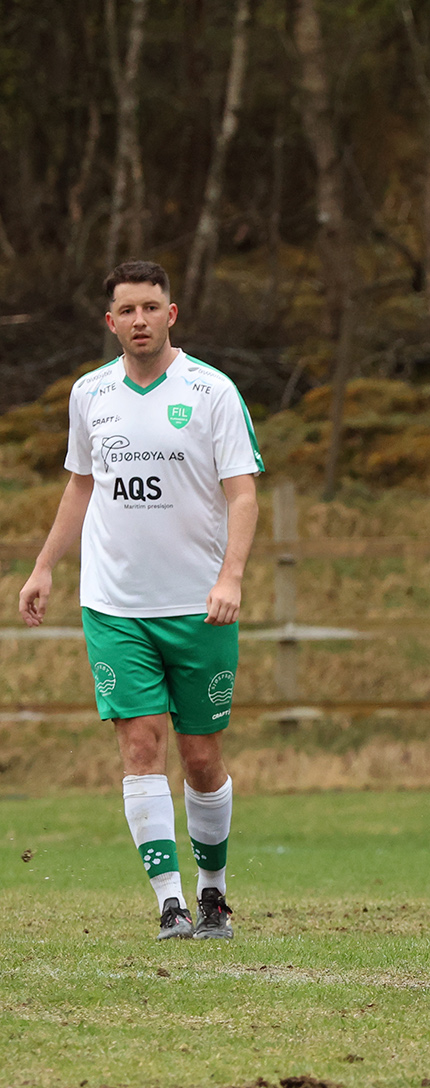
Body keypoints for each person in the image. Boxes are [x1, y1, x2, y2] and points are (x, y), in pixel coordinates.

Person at [17, 260, 262, 940]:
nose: (140, 320)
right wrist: (44, 568)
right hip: (115, 604)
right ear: (111, 321)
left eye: (151, 307)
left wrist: (231, 576)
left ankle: (214, 891)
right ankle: (170, 902)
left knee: (202, 756)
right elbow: (80, 487)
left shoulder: (211, 390)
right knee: (139, 745)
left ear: (172, 313)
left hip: (198, 605)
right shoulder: (90, 394)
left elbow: (242, 493)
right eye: (127, 310)